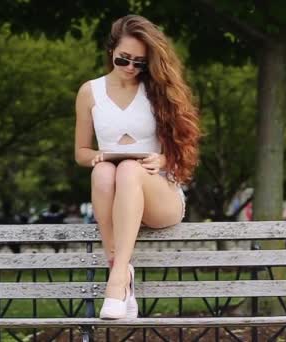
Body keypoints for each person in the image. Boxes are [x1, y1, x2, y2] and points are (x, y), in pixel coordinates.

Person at [74, 15, 200, 320]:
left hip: (160, 194)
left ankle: (116, 279)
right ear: (111, 51)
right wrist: (101, 156)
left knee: (130, 169)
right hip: (113, 190)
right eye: (124, 59)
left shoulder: (158, 90)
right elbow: (80, 152)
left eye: (139, 63)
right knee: (103, 171)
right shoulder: (90, 91)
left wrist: (163, 159)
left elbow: (185, 149)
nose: (131, 68)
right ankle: (122, 274)